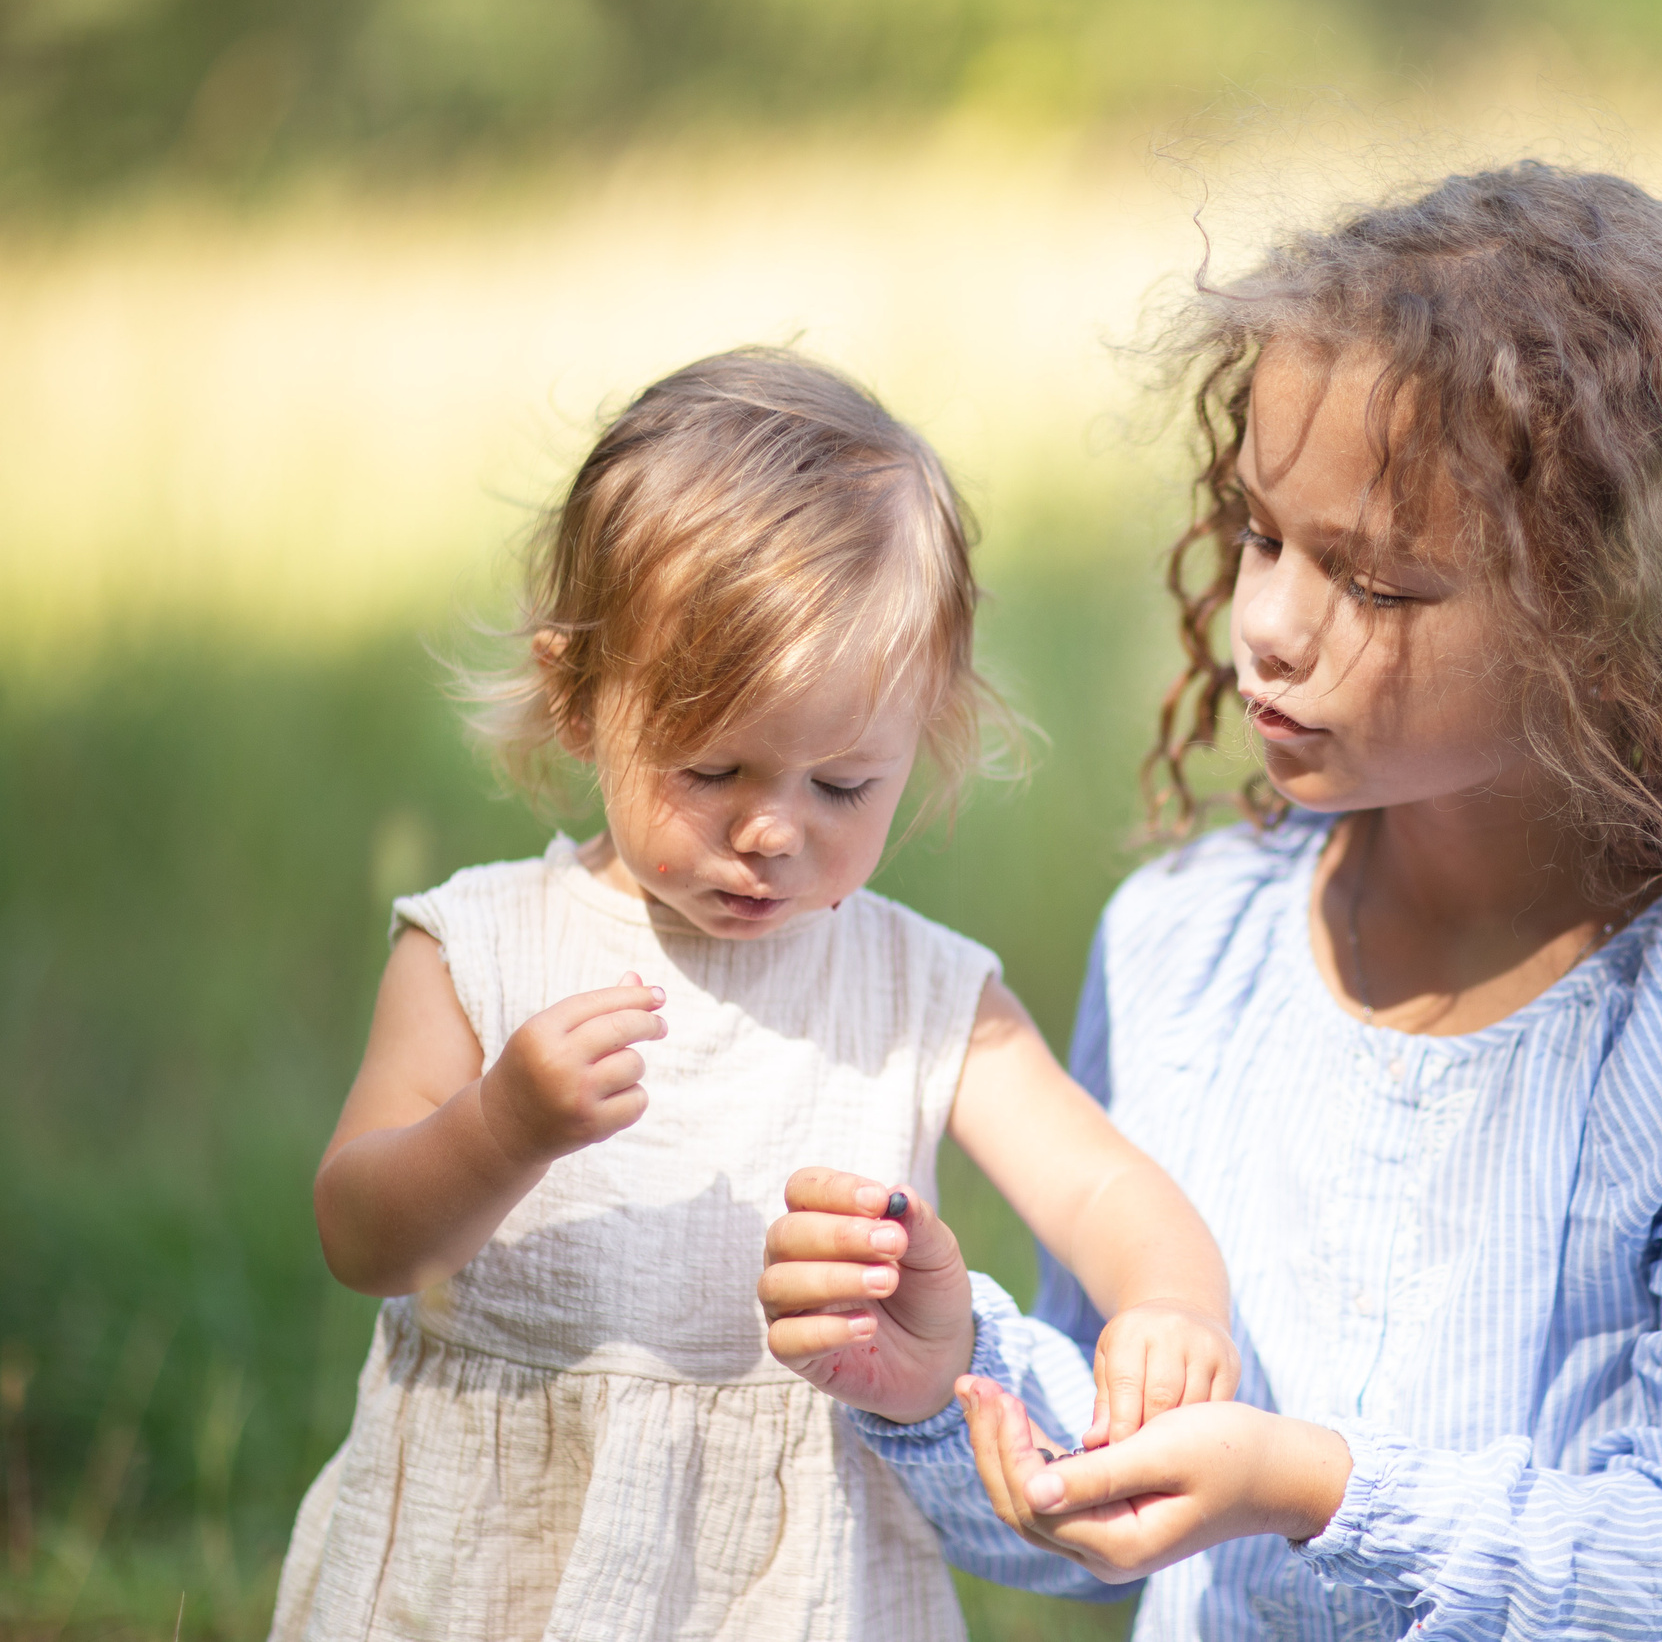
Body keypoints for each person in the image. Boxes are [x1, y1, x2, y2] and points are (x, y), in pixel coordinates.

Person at [760, 164, 1662, 1640]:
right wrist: (948, 1379)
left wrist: (1319, 1491)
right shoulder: (1187, 944)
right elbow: (1121, 1494)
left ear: (1615, 624)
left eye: (1377, 584)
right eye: (1264, 536)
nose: (1265, 623)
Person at [270, 349, 1238, 1642]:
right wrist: (500, 1129)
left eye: (842, 786)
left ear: (924, 732)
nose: (774, 831)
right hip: (502, 1570)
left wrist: (1170, 1304)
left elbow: (1101, 1187)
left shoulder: (919, 992)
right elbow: (360, 1237)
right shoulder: (479, 948)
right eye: (712, 770)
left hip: (793, 1589)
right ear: (577, 698)